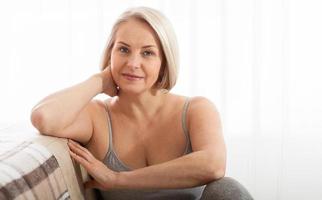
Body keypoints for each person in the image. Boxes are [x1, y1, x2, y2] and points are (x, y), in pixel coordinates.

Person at [30, 6, 226, 200]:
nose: (132, 63)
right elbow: (44, 117)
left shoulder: (197, 109)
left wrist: (117, 179)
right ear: (110, 54)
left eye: (147, 53)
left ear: (164, 62)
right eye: (123, 49)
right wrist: (99, 80)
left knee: (228, 189)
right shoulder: (96, 116)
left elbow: (213, 165)